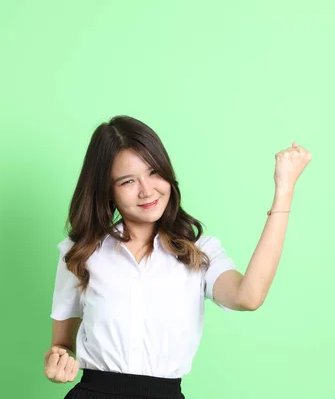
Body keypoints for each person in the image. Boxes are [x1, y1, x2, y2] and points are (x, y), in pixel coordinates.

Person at [44, 115, 312, 398]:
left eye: (153, 172)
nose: (147, 191)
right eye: (127, 181)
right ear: (107, 190)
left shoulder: (200, 252)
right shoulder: (80, 252)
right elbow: (61, 344)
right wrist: (57, 360)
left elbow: (249, 296)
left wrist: (284, 190)